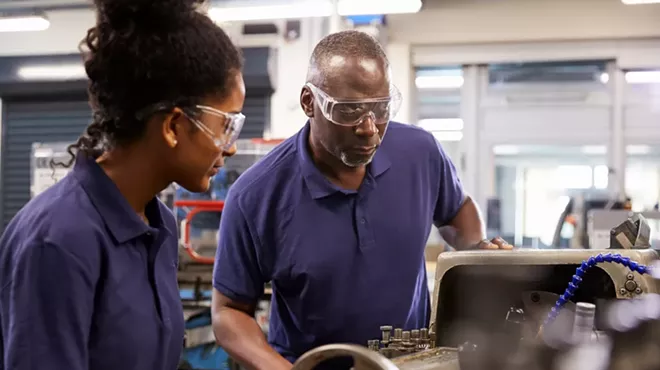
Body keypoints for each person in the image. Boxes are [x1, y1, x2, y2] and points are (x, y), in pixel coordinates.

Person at [211, 30, 512, 370]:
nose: (369, 128)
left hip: (410, 364)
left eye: (381, 108)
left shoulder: (420, 153)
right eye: (350, 110)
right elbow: (229, 311)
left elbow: (458, 211)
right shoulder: (255, 196)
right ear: (310, 102)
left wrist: (475, 252)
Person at [0, 0, 245, 369]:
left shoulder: (157, 224)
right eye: (226, 126)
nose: (231, 147)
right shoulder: (58, 241)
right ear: (173, 127)